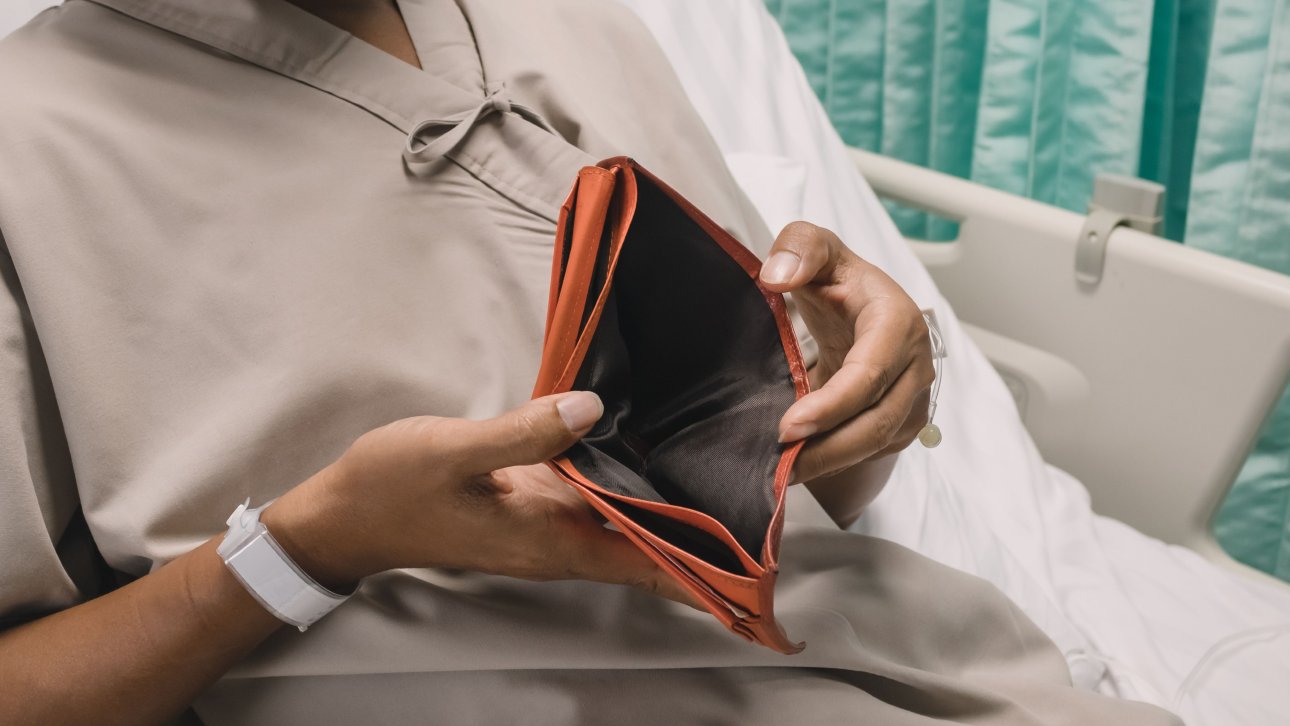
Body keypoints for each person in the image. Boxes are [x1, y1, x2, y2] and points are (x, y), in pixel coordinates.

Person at [0, 0, 1180, 723]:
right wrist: (314, 546)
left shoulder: (580, 22)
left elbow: (760, 461)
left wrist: (854, 390)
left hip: (911, 660)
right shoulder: (30, 148)